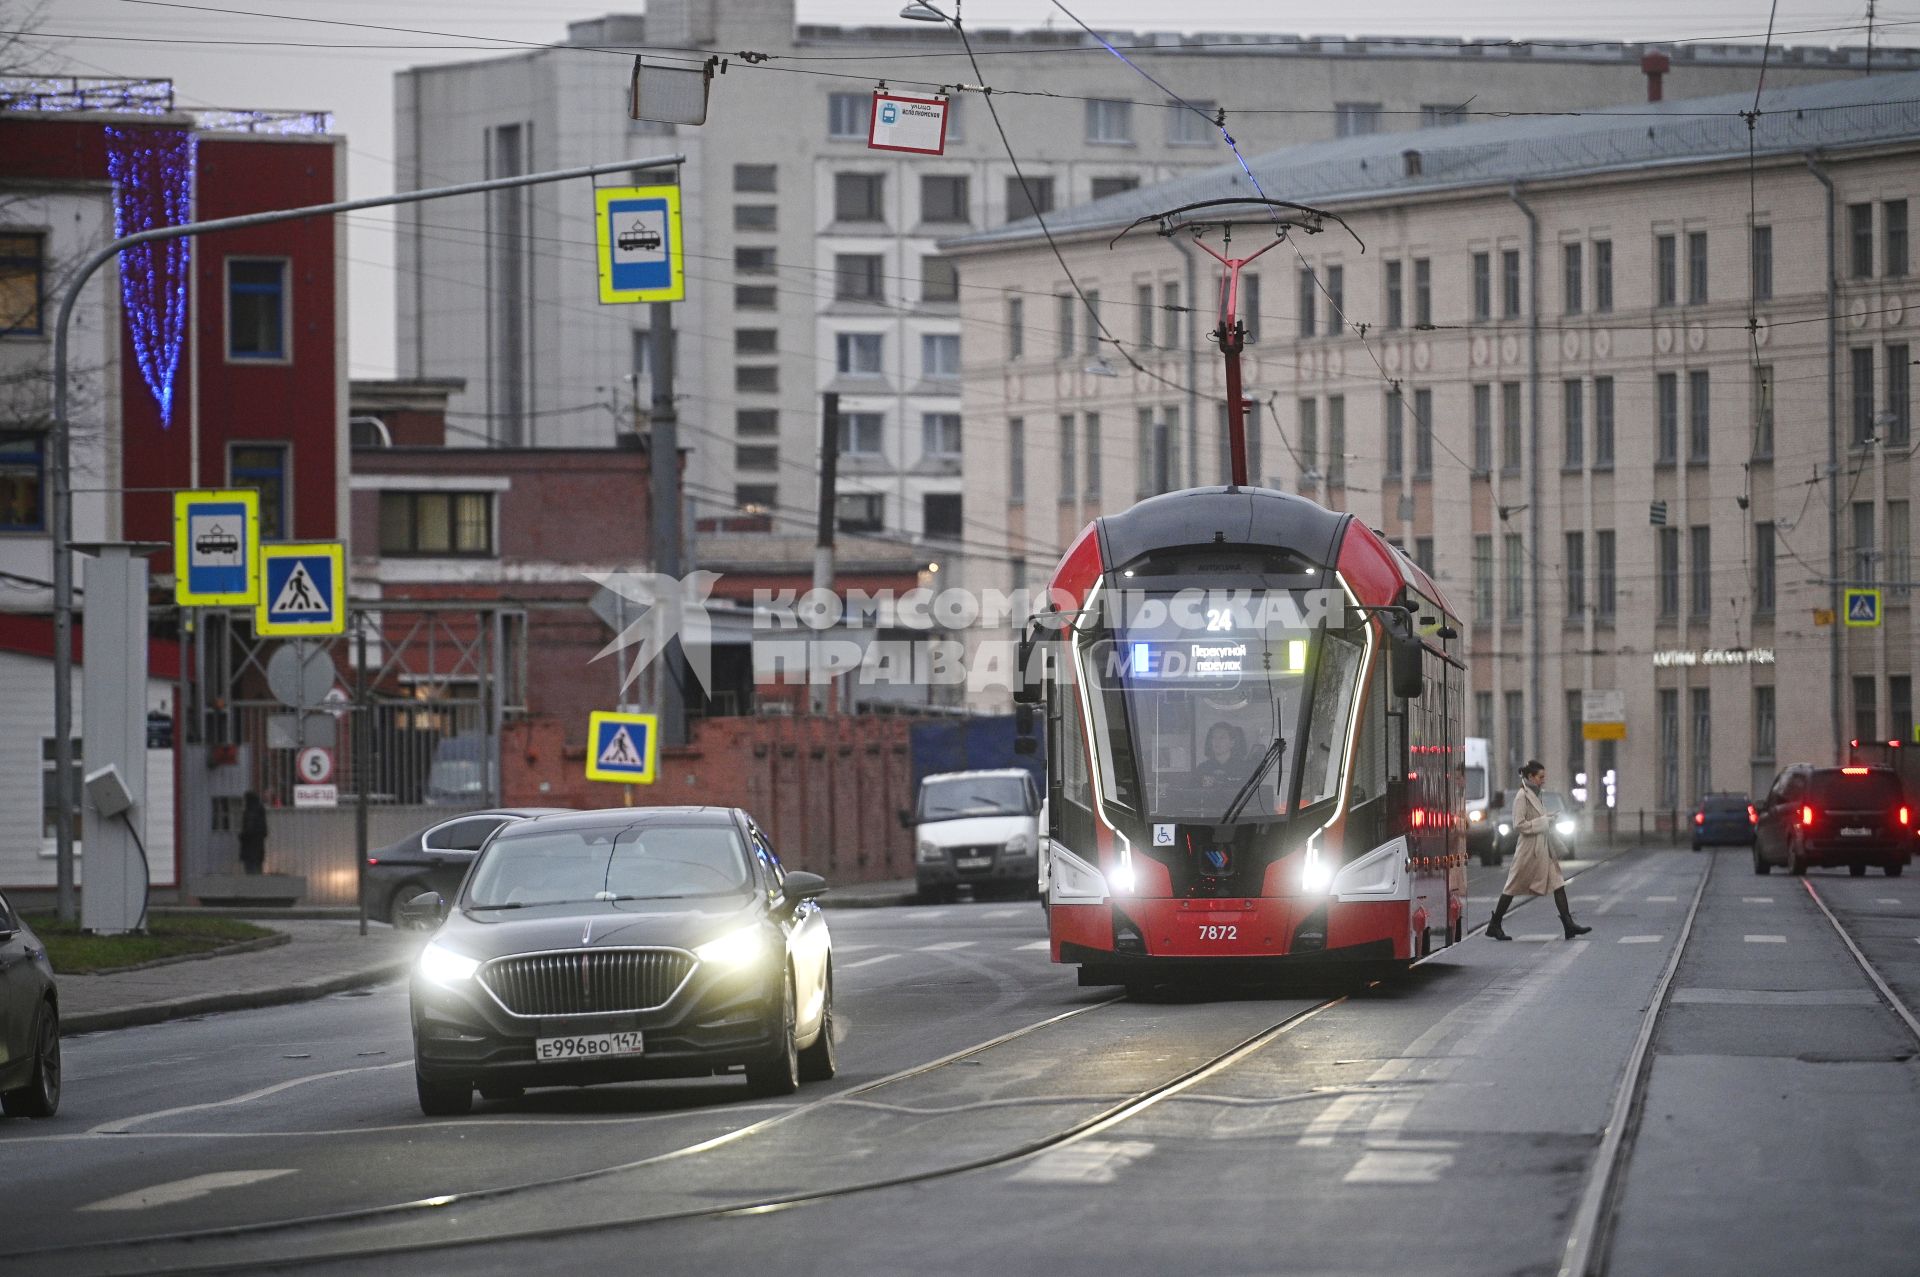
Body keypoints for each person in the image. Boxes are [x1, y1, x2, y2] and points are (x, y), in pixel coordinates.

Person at [1486, 761, 1590, 941]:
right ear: (1530, 777)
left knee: (1558, 883)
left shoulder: (1536, 793)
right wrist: (1544, 822)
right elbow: (1519, 825)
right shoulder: (1521, 796)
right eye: (1540, 777)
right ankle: (1494, 924)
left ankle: (1568, 924)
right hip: (1528, 850)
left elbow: (1536, 819)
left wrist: (1547, 819)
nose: (1543, 780)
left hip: (1543, 847)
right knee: (1512, 887)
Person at [1196, 723, 1247, 790]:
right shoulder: (1202, 768)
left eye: (1222, 738)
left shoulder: (1244, 768)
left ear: (1232, 743)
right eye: (1214, 737)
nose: (1217, 741)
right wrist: (1203, 786)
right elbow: (1192, 795)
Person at [239, 791, 268, 876]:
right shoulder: (261, 812)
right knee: (258, 872)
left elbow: (249, 830)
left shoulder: (250, 812)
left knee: (250, 873)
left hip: (249, 849)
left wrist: (242, 836)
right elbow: (264, 832)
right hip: (258, 849)